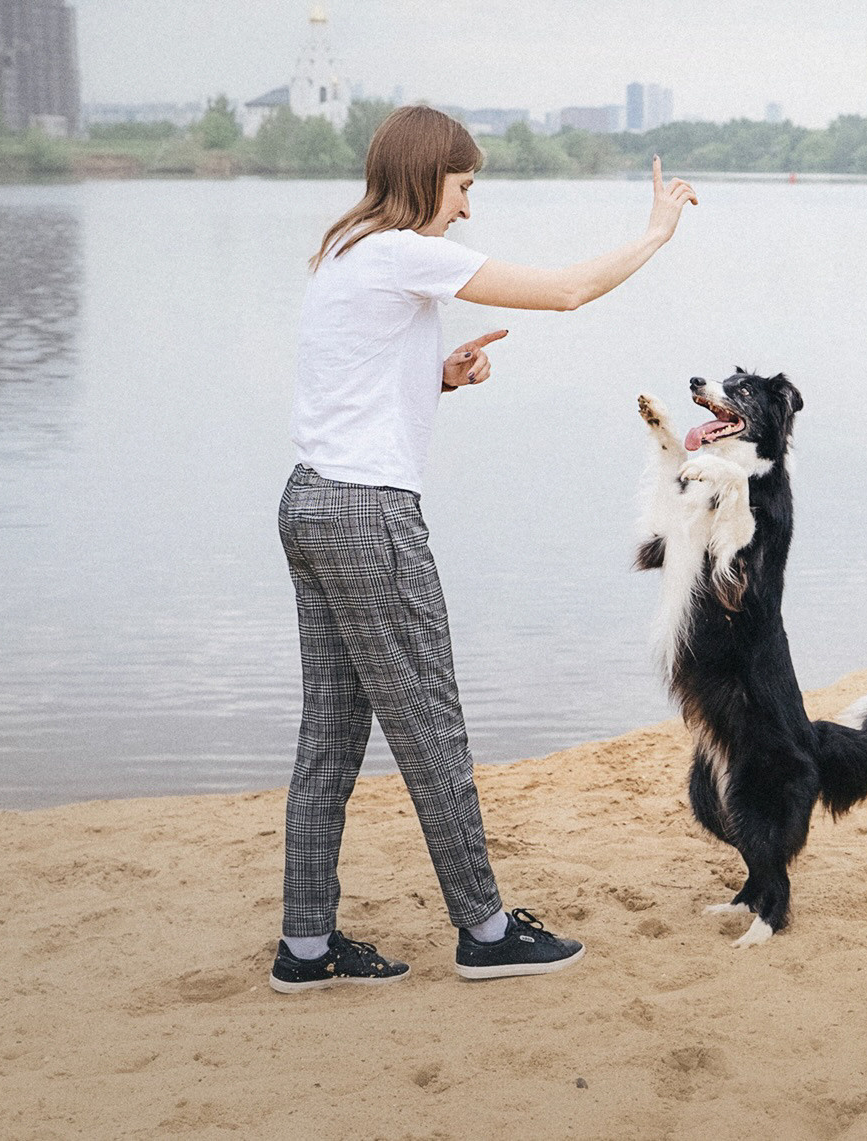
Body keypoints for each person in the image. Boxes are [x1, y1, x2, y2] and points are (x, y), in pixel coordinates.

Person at [268, 105, 697, 992]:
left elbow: (347, 385)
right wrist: (655, 233)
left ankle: (305, 948)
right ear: (429, 176)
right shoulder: (402, 250)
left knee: (330, 738)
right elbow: (567, 291)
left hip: (309, 503)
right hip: (368, 519)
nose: (467, 208)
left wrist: (437, 374)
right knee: (431, 722)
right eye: (464, 186)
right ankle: (486, 930)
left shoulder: (346, 252)